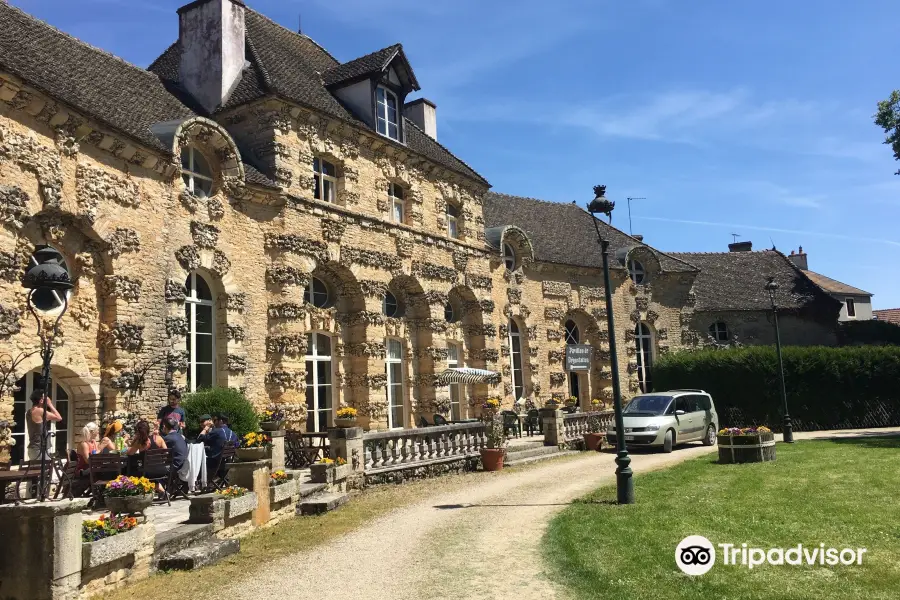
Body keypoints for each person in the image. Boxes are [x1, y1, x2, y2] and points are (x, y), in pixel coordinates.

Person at [27, 389, 62, 461]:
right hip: (40, 449)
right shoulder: (40, 411)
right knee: (44, 471)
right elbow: (59, 418)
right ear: (41, 400)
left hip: (33, 448)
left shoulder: (29, 412)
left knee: (36, 471)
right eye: (44, 398)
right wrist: (50, 404)